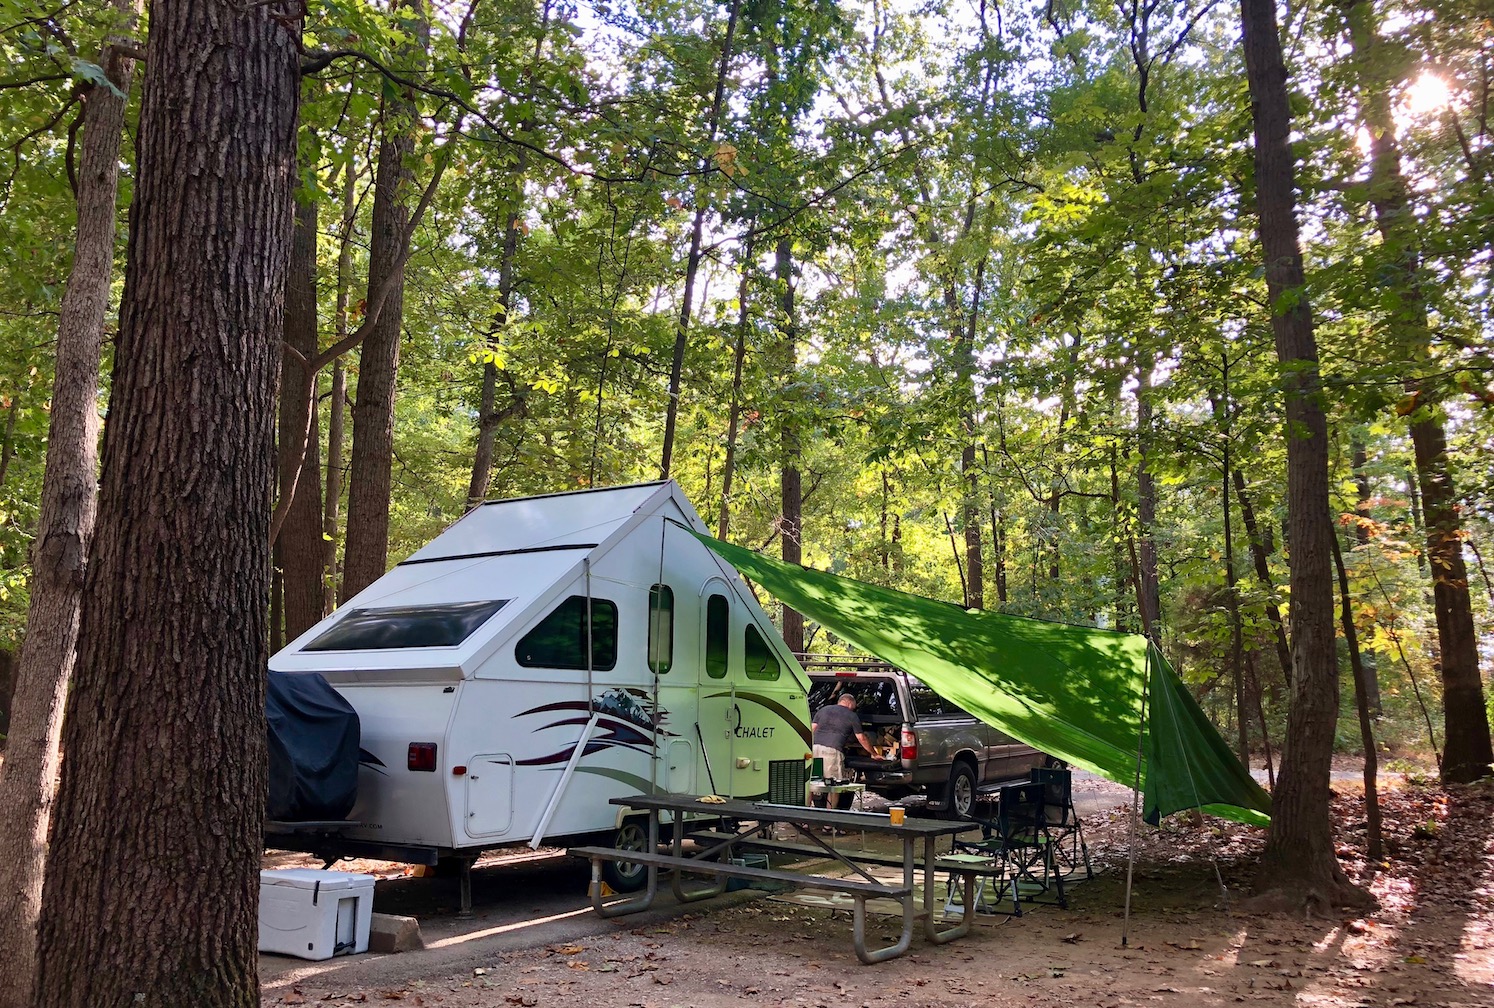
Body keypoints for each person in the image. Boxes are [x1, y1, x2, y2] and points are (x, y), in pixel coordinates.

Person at [811, 693, 874, 783]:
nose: (853, 709)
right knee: (833, 784)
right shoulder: (852, 715)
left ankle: (809, 798)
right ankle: (832, 797)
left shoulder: (823, 710)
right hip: (832, 751)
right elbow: (861, 738)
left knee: (813, 783)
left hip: (815, 749)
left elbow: (812, 729)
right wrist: (874, 754)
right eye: (854, 707)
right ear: (849, 703)